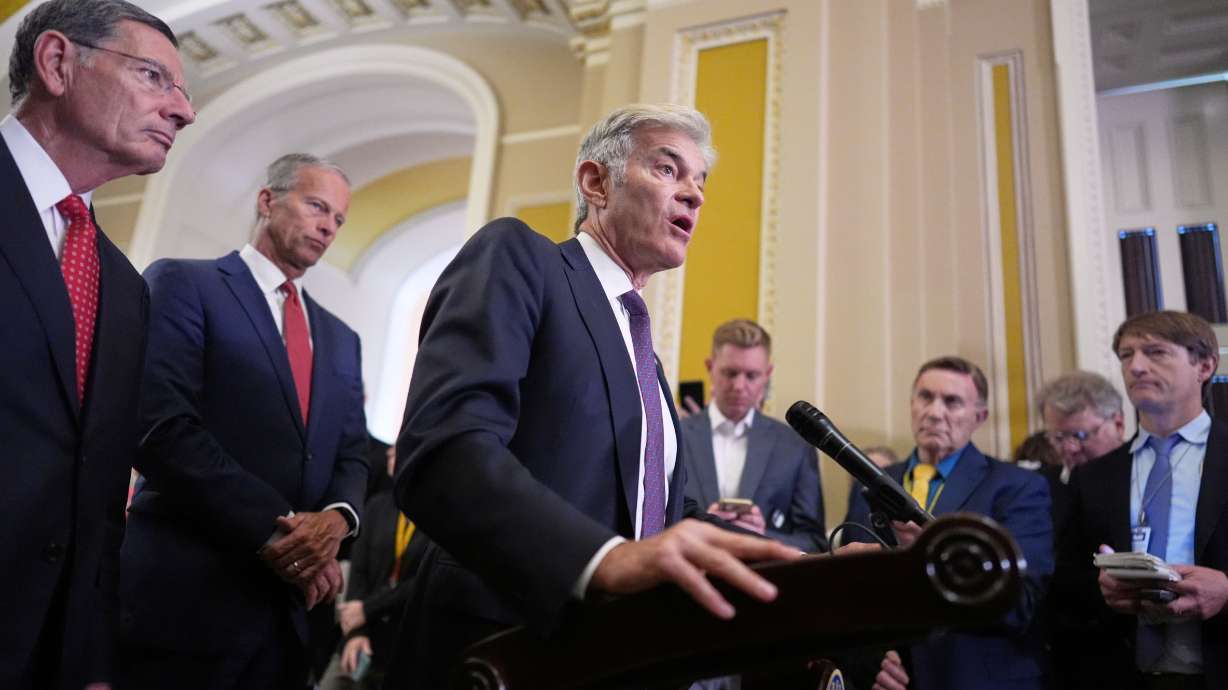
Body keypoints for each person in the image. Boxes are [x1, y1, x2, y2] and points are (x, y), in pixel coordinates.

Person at [387, 103, 802, 688]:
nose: (694, 195)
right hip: (503, 645)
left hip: (617, 659)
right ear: (596, 182)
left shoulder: (647, 362)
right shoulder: (522, 259)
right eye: (667, 170)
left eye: (699, 182)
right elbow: (445, 450)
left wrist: (810, 570)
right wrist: (601, 559)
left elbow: (666, 518)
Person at [0, 1, 194, 687]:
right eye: (154, 77)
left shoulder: (122, 284)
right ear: (57, 62)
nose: (184, 111)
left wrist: (88, 659)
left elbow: (100, 485)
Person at [120, 154, 369, 688]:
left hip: (290, 617)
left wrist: (338, 520)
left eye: (339, 219)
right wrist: (284, 536)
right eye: (316, 206)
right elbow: (159, 426)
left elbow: (353, 451)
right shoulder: (186, 284)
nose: (328, 226)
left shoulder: (342, 339)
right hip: (185, 596)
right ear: (267, 201)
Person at [845, 356, 1053, 690]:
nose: (934, 412)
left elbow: (1021, 604)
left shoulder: (1017, 488)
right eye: (925, 397)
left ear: (979, 416)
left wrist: (932, 559)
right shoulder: (871, 484)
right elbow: (848, 595)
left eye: (952, 402)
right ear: (912, 404)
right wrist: (872, 664)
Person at [1054, 311, 1228, 689]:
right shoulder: (1093, 477)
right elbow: (1065, 583)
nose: (1136, 367)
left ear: (1204, 366)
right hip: (1121, 673)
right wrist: (1102, 590)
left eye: (1155, 352)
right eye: (1126, 355)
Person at [681, 318, 826, 552]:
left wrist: (759, 536)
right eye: (730, 373)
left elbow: (815, 543)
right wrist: (699, 525)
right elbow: (649, 525)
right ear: (710, 367)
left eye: (751, 376)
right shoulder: (674, 437)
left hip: (769, 580)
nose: (739, 385)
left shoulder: (795, 447)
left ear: (767, 374)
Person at [320, 445, 431, 689]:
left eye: (399, 448)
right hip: (359, 638)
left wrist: (367, 610)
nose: (391, 453)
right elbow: (358, 570)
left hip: (401, 647)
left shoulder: (437, 517)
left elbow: (422, 582)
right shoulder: (378, 505)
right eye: (391, 450)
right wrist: (354, 632)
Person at [1035, 370, 1125, 531]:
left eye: (1080, 435)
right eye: (1058, 437)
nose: (1070, 448)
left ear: (1118, 424)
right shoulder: (1039, 490)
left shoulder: (1143, 480)